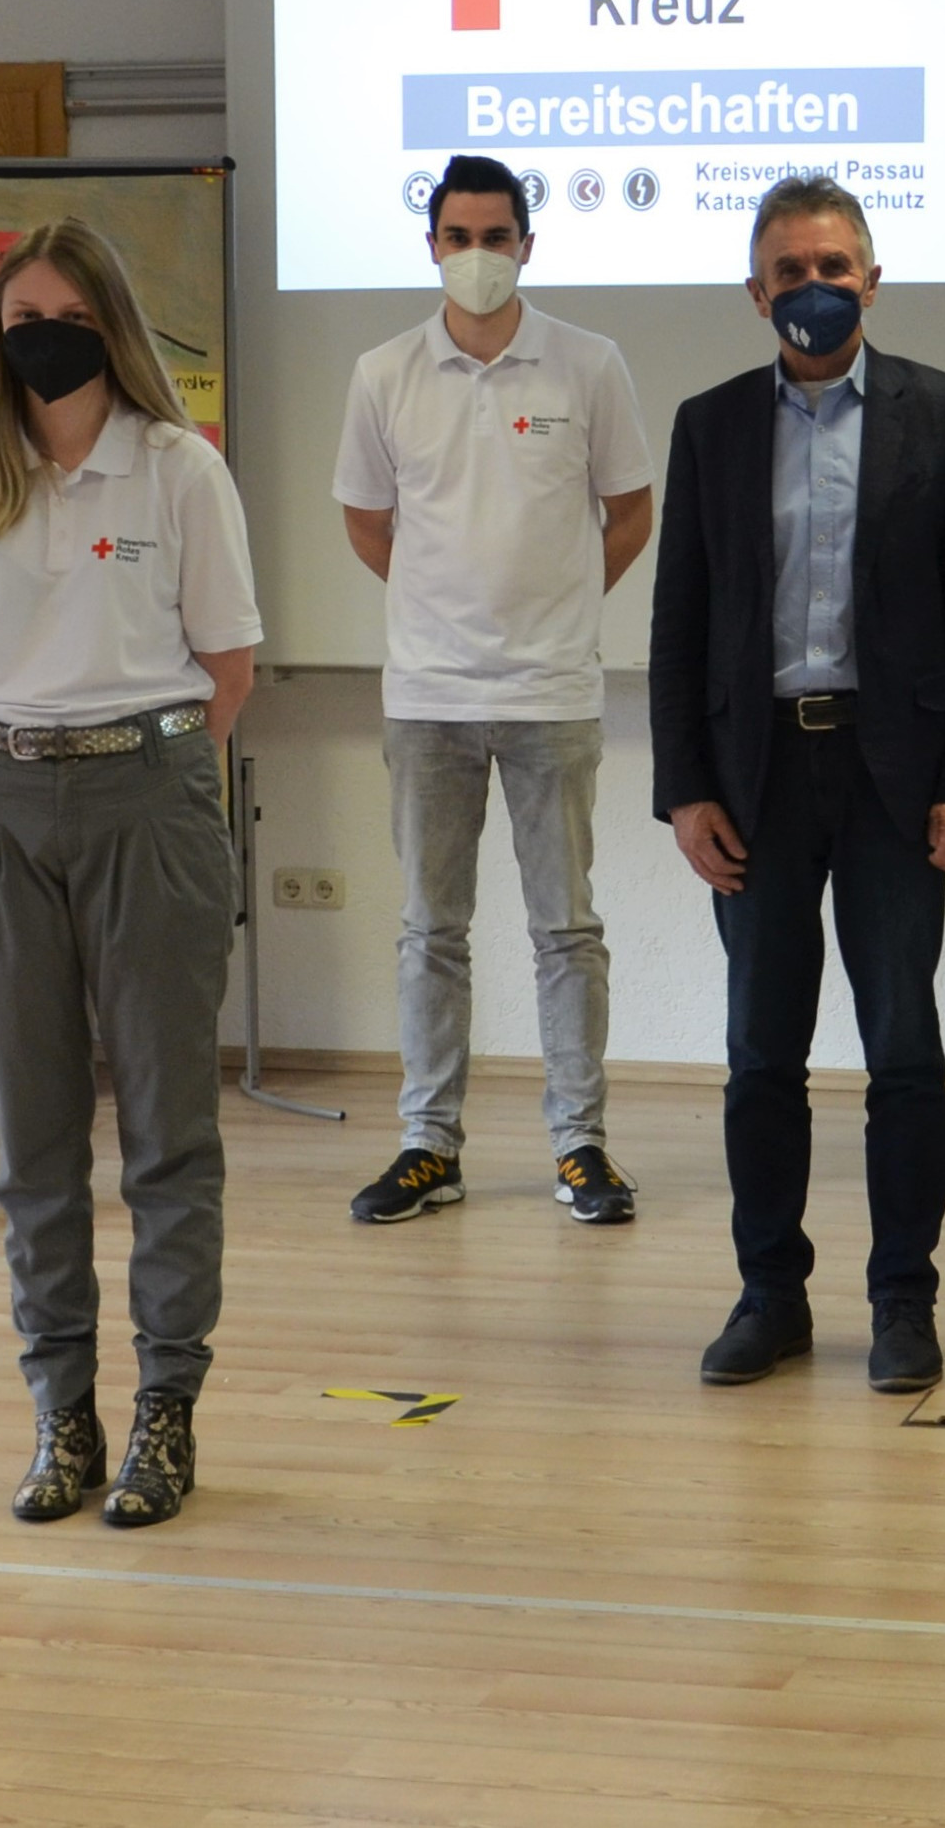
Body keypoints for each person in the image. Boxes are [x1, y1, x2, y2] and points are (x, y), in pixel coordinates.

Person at [0, 219, 259, 1530]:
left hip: (147, 797)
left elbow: (228, 671)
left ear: (111, 325)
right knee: (33, 1139)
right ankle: (63, 1410)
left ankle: (168, 1406)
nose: (42, 340)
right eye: (19, 321)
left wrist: (134, 774)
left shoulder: (178, 471)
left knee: (168, 1130)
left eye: (66, 317)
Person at [649, 175, 945, 1395]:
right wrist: (684, 790)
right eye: (791, 272)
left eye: (834, 268)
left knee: (904, 1046)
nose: (815, 288)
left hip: (894, 776)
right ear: (757, 294)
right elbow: (680, 620)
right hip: (755, 776)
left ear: (873, 279)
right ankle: (772, 1295)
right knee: (762, 1052)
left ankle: (903, 1300)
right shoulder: (709, 424)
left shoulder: (942, 412)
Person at [333, 154, 658, 1227]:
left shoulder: (588, 363)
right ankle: (429, 1146)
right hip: (428, 695)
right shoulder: (383, 372)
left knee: (566, 929)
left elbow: (629, 512)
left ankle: (580, 1145)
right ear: (431, 246)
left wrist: (557, 605)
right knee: (431, 929)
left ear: (528, 245)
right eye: (458, 237)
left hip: (552, 693)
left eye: (496, 237)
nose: (477, 255)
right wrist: (442, 607)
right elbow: (365, 522)